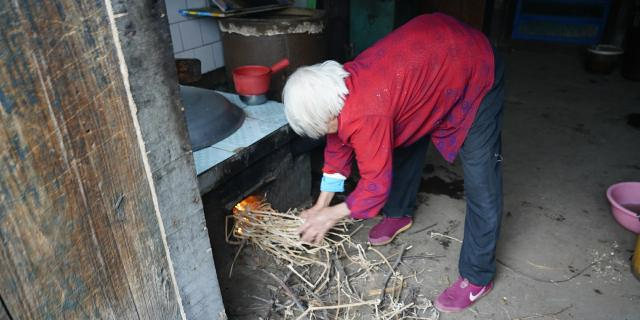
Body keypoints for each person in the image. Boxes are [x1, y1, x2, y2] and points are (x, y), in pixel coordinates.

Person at [282, 13, 504, 313]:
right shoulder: (335, 93)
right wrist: (322, 205)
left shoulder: (366, 113)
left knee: (481, 178)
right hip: (435, 59)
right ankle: (400, 212)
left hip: (473, 65)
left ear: (330, 114)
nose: (324, 134)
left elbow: (375, 185)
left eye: (322, 128)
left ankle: (478, 276)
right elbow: (336, 155)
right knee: (402, 137)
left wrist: (331, 215)